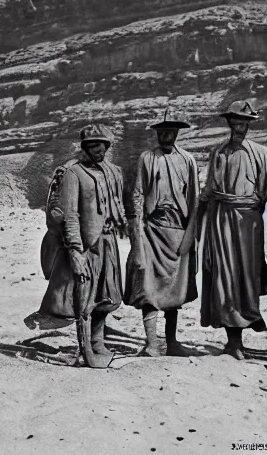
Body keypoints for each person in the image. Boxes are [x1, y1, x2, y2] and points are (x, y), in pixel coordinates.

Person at [39, 124, 127, 368]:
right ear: (85, 147)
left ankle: (98, 340)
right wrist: (76, 251)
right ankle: (85, 347)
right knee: (84, 297)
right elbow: (70, 215)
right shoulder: (73, 173)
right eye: (92, 145)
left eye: (101, 145)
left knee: (109, 295)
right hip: (87, 244)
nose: (97, 149)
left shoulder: (113, 172)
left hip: (108, 241)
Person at [199, 98, 267, 360]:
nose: (239, 126)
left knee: (249, 276)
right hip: (222, 220)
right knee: (226, 276)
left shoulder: (262, 154)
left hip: (250, 223)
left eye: (244, 122)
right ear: (230, 123)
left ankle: (250, 316)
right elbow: (209, 189)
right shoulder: (218, 152)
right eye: (236, 121)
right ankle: (234, 341)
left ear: (249, 124)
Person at [123, 111, 199, 357]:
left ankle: (172, 342)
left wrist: (190, 235)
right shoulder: (147, 158)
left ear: (177, 133)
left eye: (171, 131)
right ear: (157, 133)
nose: (167, 135)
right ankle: (152, 343)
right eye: (162, 131)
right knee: (149, 286)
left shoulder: (188, 160)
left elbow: (195, 199)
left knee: (174, 289)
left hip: (178, 230)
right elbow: (137, 195)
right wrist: (137, 232)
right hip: (152, 230)